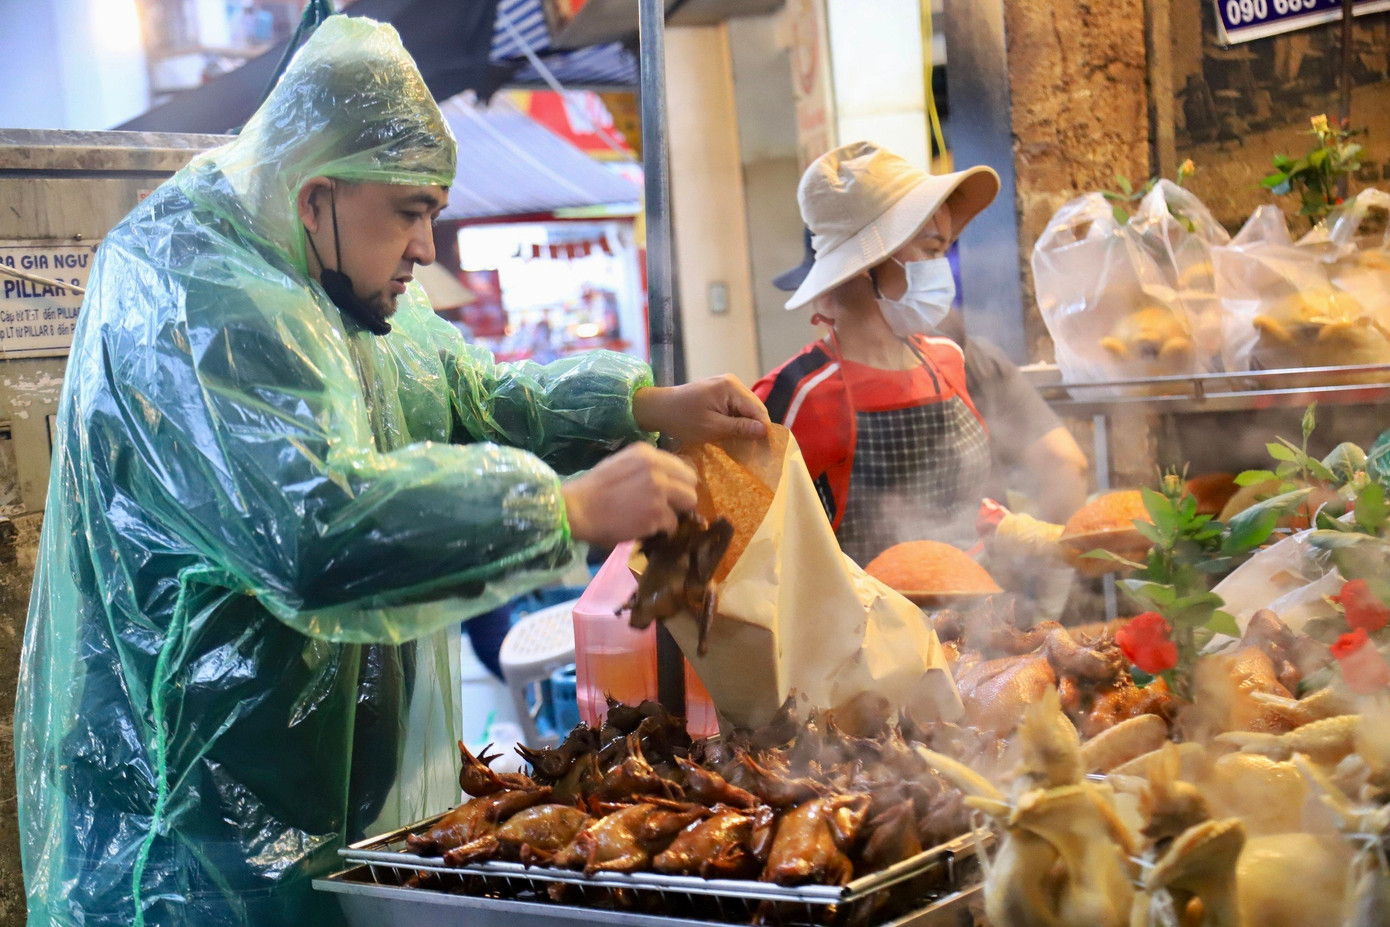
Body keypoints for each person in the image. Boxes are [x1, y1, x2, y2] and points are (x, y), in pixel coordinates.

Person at [14, 17, 767, 927]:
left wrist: (652, 404)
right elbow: (315, 530)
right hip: (196, 854)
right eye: (409, 214)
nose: (426, 249)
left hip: (329, 821)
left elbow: (478, 395)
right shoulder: (206, 301)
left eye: (434, 215)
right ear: (315, 197)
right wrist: (563, 508)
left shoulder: (340, 288)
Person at [755, 142, 1087, 567]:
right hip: (868, 628)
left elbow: (964, 511)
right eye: (931, 251)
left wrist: (1043, 547)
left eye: (944, 250)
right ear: (866, 264)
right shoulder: (797, 395)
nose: (942, 267)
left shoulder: (946, 362)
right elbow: (755, 548)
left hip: (978, 620)